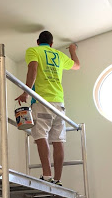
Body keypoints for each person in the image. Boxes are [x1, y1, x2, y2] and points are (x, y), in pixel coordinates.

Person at [16, 31, 80, 186]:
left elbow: (33, 69)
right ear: (51, 44)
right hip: (59, 104)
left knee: (40, 136)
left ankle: (46, 175)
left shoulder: (33, 51)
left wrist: (26, 92)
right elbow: (77, 65)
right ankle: (57, 179)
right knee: (58, 140)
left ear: (38, 42)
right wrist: (72, 50)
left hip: (42, 101)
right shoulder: (59, 55)